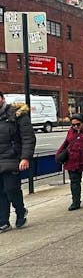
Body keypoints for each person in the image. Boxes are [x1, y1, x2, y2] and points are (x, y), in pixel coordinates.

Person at [0, 91, 35, 232]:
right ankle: (3, 221)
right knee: (0, 193)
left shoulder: (17, 114)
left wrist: (25, 157)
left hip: (12, 158)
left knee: (11, 189)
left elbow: (28, 138)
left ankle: (20, 212)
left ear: (2, 99)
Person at [55, 114, 83, 211]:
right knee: (74, 182)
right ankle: (76, 202)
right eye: (73, 125)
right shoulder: (71, 131)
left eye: (78, 124)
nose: (76, 126)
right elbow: (66, 143)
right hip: (72, 160)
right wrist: (58, 154)